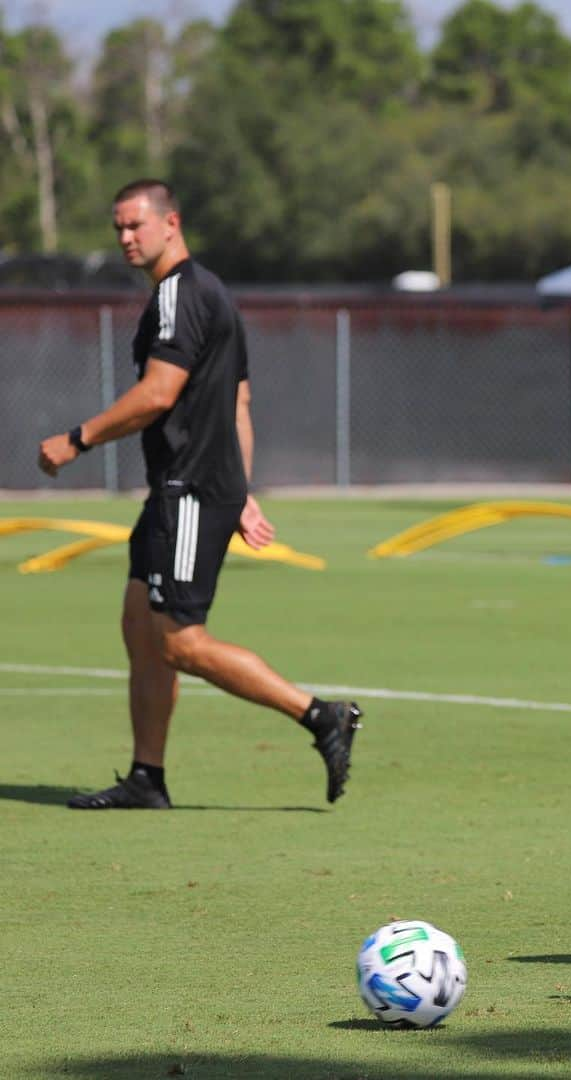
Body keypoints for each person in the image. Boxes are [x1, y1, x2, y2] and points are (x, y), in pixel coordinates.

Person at [38, 178, 361, 810]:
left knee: (181, 641)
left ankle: (321, 715)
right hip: (188, 487)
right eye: (118, 229)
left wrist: (78, 439)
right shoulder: (211, 294)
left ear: (170, 223)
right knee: (140, 624)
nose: (126, 238)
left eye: (135, 225)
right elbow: (238, 401)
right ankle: (146, 778)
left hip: (186, 490)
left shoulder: (179, 295)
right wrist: (241, 491)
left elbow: (159, 393)